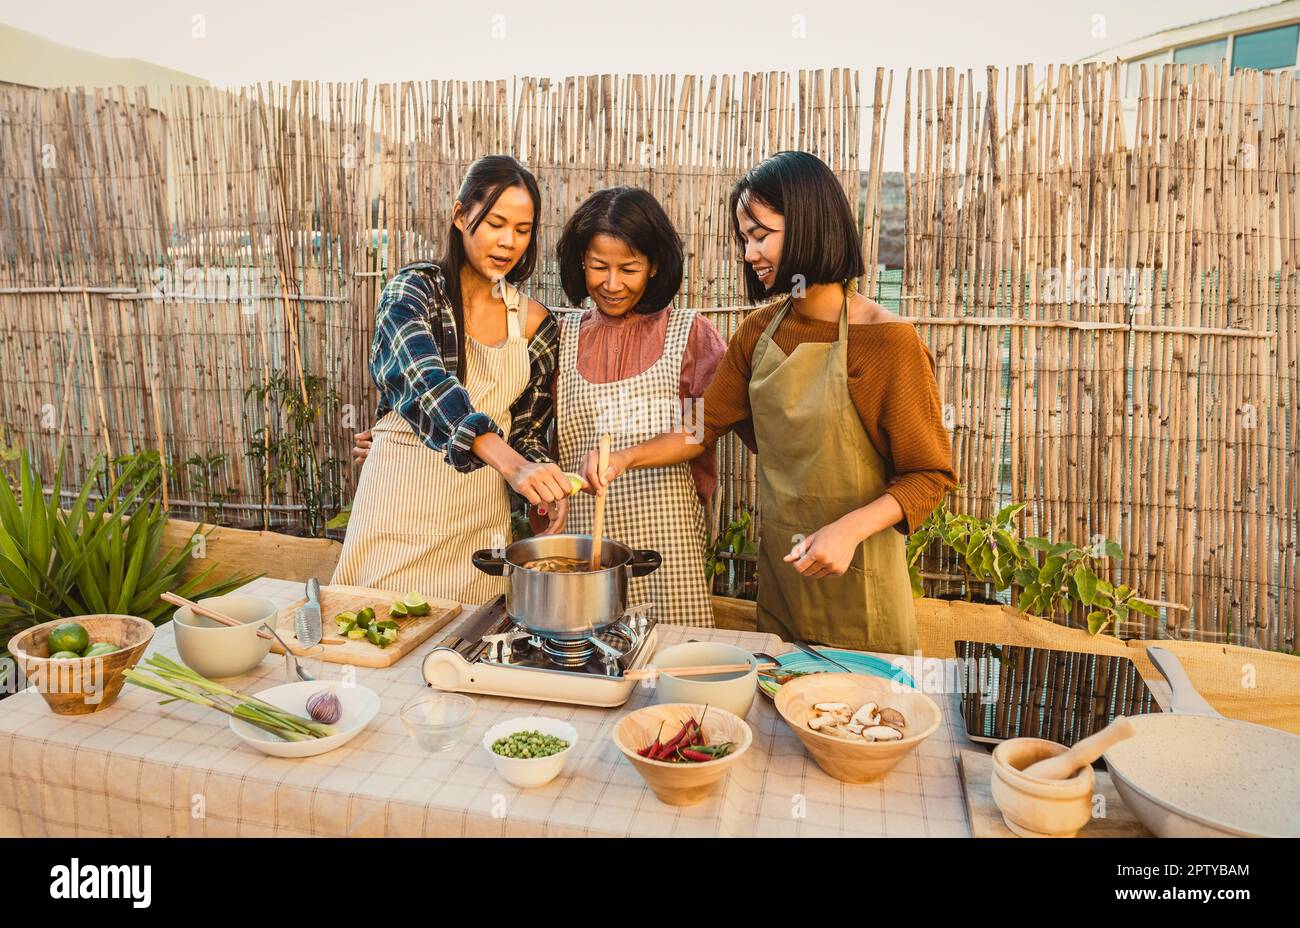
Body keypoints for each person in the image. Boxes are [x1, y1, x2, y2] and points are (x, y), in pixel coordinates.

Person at [580, 151, 958, 653]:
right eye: (744, 239)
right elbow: (701, 426)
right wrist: (625, 457)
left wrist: (847, 531)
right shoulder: (758, 334)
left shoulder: (889, 342)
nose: (749, 253)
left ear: (807, 224)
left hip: (861, 585)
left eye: (761, 235)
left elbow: (929, 476)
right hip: (783, 579)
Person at [333, 155, 570, 604]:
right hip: (396, 514)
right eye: (495, 223)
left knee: (464, 657)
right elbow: (424, 381)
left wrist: (540, 483)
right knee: (370, 637)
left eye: (522, 230)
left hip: (476, 526)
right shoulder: (414, 292)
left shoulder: (538, 324)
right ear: (461, 216)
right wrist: (513, 465)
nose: (508, 242)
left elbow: (528, 432)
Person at [554, 187, 726, 627]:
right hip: (581, 548)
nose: (612, 285)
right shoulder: (560, 336)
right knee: (586, 662)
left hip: (666, 549)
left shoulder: (690, 334)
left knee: (672, 674)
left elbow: (700, 429)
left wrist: (626, 458)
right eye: (598, 267)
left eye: (628, 268)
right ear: (580, 263)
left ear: (654, 265)